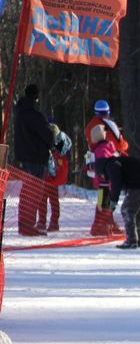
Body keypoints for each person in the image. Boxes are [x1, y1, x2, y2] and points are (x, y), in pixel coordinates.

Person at [13, 84, 55, 236]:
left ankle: (23, 223)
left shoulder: (19, 113)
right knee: (34, 191)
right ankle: (28, 225)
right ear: (36, 97)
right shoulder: (35, 115)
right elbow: (47, 135)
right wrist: (51, 142)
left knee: (27, 190)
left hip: (24, 157)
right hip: (36, 157)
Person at [85, 99, 128, 235]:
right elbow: (122, 146)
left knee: (104, 200)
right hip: (106, 176)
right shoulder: (109, 127)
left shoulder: (90, 127)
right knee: (104, 201)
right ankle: (99, 226)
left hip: (101, 176)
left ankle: (108, 224)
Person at [107, 155, 140, 249]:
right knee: (139, 213)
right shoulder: (119, 162)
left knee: (127, 210)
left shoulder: (111, 165)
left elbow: (116, 183)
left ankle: (131, 241)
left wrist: (113, 201)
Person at [38, 124, 72, 232]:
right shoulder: (62, 147)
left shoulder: (45, 146)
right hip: (54, 180)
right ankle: (54, 223)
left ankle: (42, 222)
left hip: (46, 178)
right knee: (54, 201)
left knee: (42, 201)